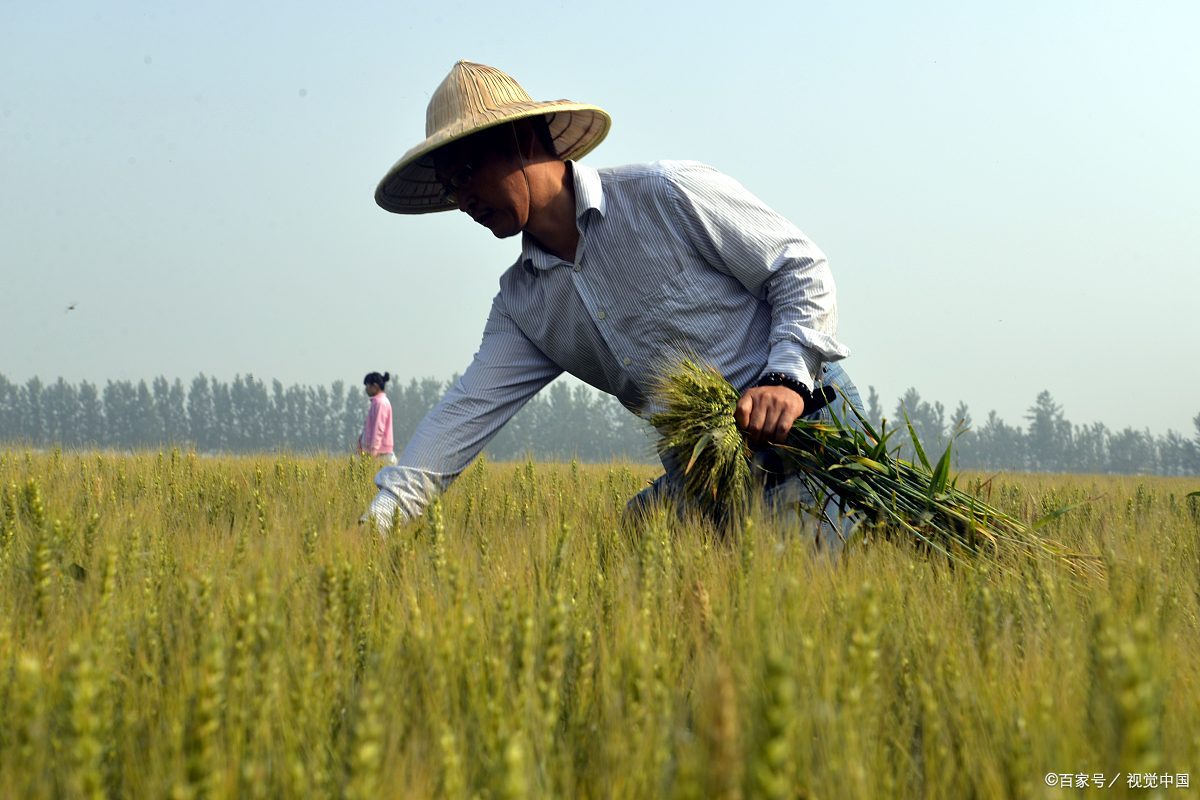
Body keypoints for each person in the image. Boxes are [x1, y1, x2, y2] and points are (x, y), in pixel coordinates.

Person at [364, 60, 863, 547]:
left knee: (796, 600)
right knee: (631, 546)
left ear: (522, 140)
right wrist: (375, 529)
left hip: (804, 430)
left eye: (468, 172)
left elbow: (800, 266)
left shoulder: (665, 194)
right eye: (451, 186)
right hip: (705, 465)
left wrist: (787, 377)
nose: (464, 198)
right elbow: (461, 417)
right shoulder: (524, 304)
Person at [357, 371, 397, 466]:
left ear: (375, 386)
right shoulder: (376, 403)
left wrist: (373, 451)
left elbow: (379, 428)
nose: (366, 389)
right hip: (375, 453)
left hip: (380, 455)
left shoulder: (381, 403)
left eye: (367, 386)